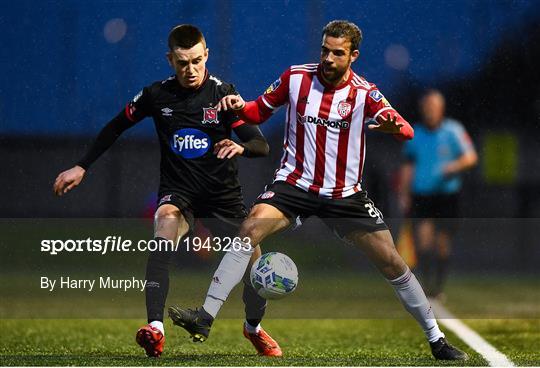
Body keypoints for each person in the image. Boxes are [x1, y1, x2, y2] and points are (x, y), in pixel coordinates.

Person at [167, 20, 468, 360]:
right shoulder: (295, 77)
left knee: (393, 263)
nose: (327, 58)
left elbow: (406, 131)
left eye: (337, 53)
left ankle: (436, 340)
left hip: (345, 195)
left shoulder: (364, 92)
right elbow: (256, 112)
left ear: (353, 56)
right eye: (324, 50)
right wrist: (238, 105)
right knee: (249, 228)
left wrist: (391, 125)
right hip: (294, 184)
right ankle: (205, 318)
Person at [52, 24, 283, 358]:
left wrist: (240, 148)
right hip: (179, 193)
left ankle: (253, 329)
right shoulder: (157, 95)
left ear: (207, 56)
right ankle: (155, 329)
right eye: (182, 63)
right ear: (170, 60)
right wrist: (82, 166)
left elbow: (259, 144)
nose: (190, 70)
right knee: (164, 225)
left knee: (257, 268)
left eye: (196, 61)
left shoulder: (223, 95)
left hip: (223, 199)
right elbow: (116, 125)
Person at [399, 89, 477, 298]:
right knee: (423, 242)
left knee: (442, 243)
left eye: (433, 106)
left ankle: (439, 287)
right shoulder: (414, 133)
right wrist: (403, 194)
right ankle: (426, 284)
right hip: (422, 195)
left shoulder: (453, 131)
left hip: (447, 196)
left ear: (441, 109)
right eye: (426, 107)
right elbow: (407, 166)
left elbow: (470, 157)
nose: (430, 110)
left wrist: (455, 166)